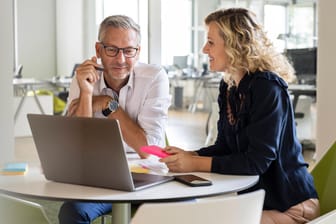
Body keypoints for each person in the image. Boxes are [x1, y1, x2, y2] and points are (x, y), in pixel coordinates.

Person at [160, 8, 320, 224]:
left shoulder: (267, 87)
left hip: (290, 206)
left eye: (210, 42)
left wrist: (194, 164)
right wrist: (191, 154)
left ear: (235, 44)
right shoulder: (230, 87)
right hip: (259, 201)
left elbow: (257, 161)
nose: (204, 49)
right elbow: (225, 147)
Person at [58, 15, 170, 224]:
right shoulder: (84, 76)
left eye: (128, 51)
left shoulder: (154, 77)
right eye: (112, 50)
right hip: (99, 176)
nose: (120, 60)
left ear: (138, 52)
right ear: (98, 50)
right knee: (72, 212)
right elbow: (76, 145)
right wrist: (87, 93)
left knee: (189, 204)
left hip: (146, 175)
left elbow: (149, 149)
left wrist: (109, 104)